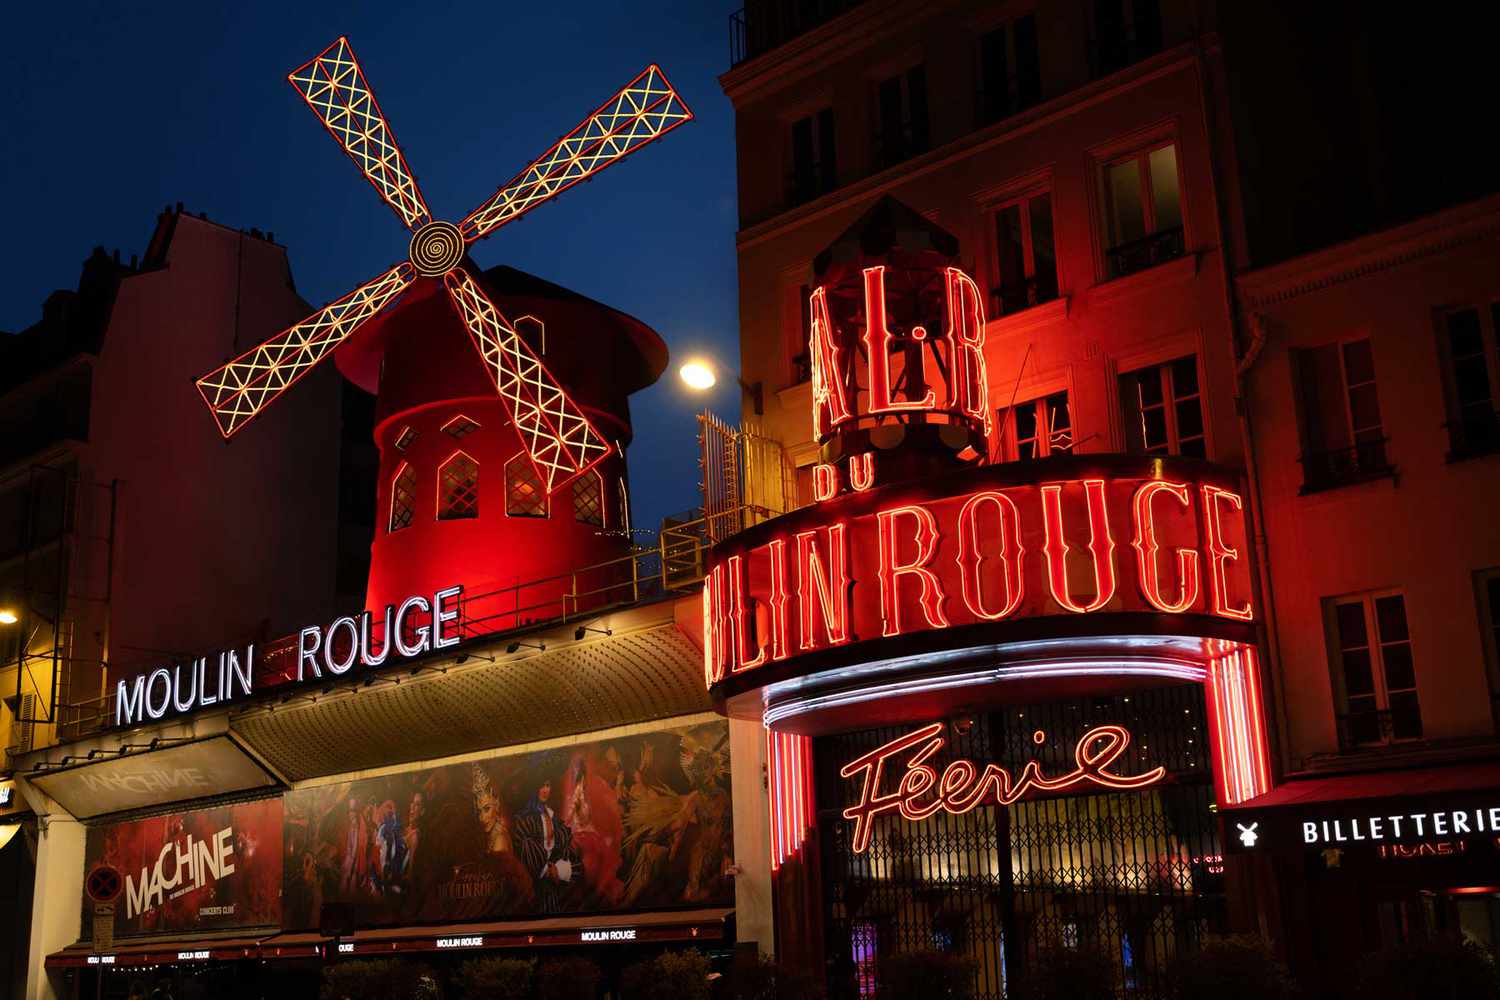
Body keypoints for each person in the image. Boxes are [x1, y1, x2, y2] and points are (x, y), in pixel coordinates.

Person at [514, 778, 582, 913]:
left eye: (547, 785)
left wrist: (559, 869)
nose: (545, 790)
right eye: (541, 786)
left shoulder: (554, 819)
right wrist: (546, 870)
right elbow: (523, 850)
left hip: (556, 890)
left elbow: (569, 852)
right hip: (534, 889)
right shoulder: (524, 819)